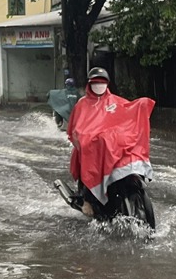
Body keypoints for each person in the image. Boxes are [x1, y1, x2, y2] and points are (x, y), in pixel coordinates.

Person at [66, 67, 154, 216]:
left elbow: (129, 112)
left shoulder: (115, 101)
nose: (99, 86)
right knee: (88, 159)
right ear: (90, 84)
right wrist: (84, 139)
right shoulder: (82, 104)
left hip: (111, 147)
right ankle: (88, 199)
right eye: (95, 83)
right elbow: (76, 128)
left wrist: (141, 105)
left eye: (102, 82)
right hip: (92, 148)